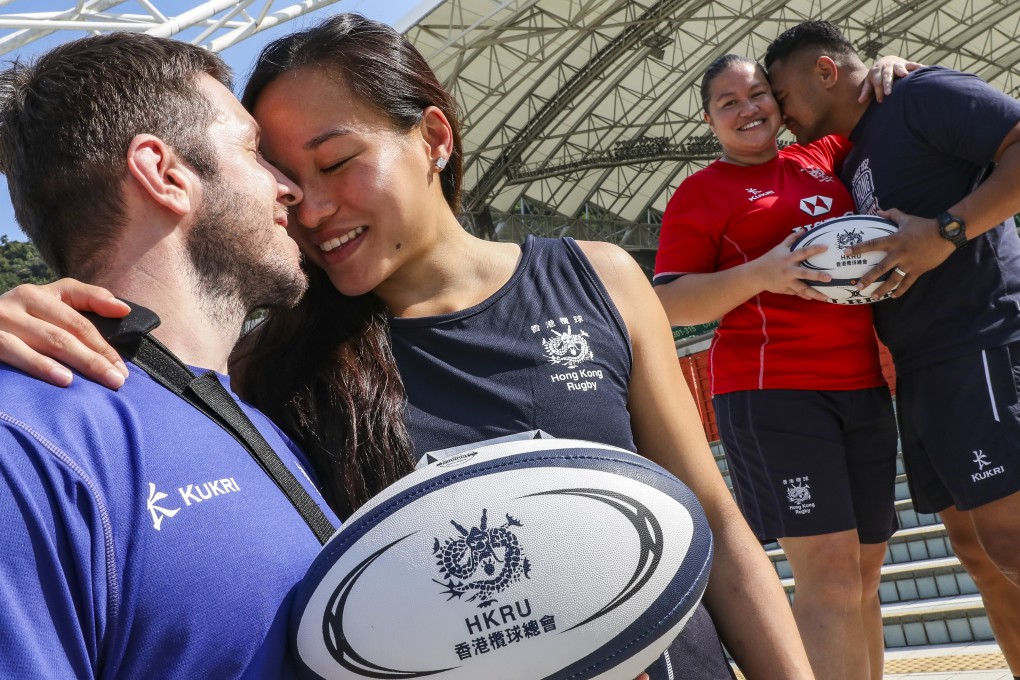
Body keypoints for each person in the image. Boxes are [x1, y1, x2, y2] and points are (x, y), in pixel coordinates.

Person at [0, 15, 815, 679]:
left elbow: (714, 522)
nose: (305, 206)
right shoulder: (265, 371)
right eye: (278, 170)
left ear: (432, 137)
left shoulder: (593, 277)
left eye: (336, 162)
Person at [0, 33, 340, 677]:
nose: (288, 189)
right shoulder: (27, 444)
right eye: (255, 150)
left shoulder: (254, 414)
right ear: (163, 172)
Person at [765, 19, 1020, 675]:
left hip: (984, 339)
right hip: (924, 370)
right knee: (980, 555)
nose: (778, 110)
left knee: (1010, 540)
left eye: (782, 92)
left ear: (825, 71)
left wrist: (946, 232)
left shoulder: (918, 96)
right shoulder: (849, 158)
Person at [653, 53, 911, 680]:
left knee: (867, 573)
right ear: (710, 121)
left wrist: (895, 68)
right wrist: (763, 273)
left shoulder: (820, 157)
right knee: (827, 571)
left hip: (861, 386)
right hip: (774, 394)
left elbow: (873, 102)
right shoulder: (703, 192)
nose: (749, 110)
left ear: (778, 101)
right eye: (729, 103)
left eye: (758, 95)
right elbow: (666, 299)